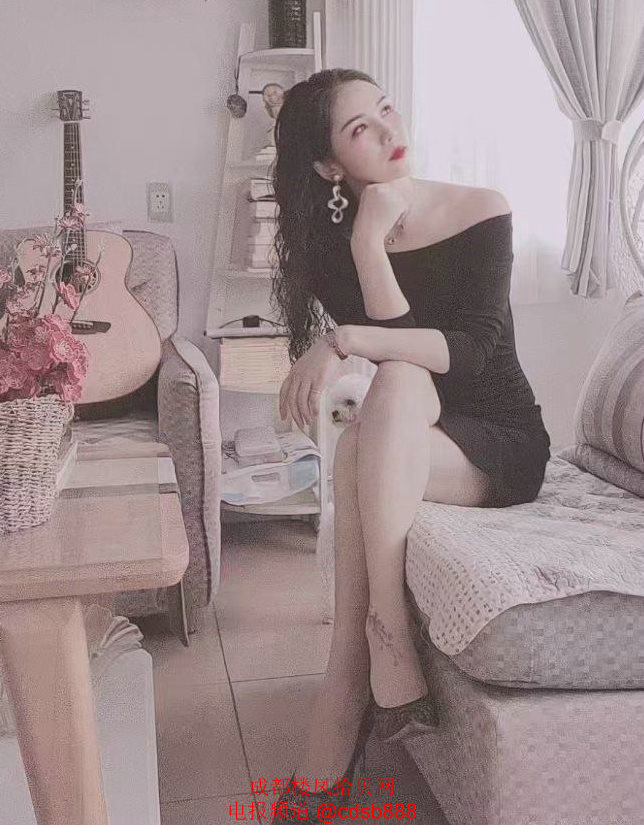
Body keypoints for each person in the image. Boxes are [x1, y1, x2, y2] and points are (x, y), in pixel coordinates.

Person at [269, 68, 551, 821]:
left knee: (368, 428)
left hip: (496, 440)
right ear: (329, 166)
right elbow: (401, 352)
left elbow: (472, 354)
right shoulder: (330, 246)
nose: (389, 131)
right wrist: (366, 242)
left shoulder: (481, 209)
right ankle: (376, 644)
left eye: (385, 109)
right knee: (384, 401)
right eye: (360, 128)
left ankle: (359, 663)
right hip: (412, 420)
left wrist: (346, 333)